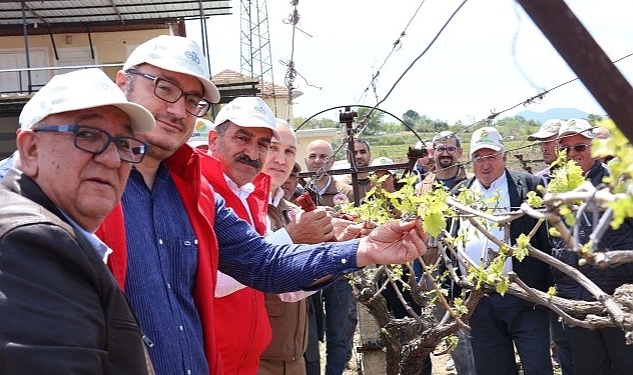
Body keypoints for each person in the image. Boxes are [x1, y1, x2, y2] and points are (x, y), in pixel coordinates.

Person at [94, 35, 428, 375]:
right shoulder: (85, 182)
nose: (178, 109)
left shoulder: (195, 194)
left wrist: (364, 249)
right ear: (124, 84)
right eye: (164, 88)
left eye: (193, 100)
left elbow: (262, 262)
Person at [0, 68, 156, 374]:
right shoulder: (33, 241)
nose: (112, 159)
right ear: (30, 149)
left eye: (124, 143)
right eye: (87, 134)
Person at [203, 98, 338, 374]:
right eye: (243, 138)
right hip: (223, 361)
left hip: (259, 356)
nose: (254, 153)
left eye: (263, 144)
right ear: (214, 139)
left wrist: (347, 253)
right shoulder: (201, 191)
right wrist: (292, 238)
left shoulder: (251, 198)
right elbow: (210, 280)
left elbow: (283, 286)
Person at [448, 127, 553, 375]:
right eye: (479, 158)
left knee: (537, 366)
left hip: (526, 296)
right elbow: (450, 244)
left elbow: (547, 241)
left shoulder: (530, 186)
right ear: (471, 161)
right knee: (492, 368)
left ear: (504, 157)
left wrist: (546, 292)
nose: (485, 165)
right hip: (479, 300)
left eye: (491, 157)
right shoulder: (459, 194)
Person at [259, 118, 342, 375]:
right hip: (255, 357)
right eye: (273, 148)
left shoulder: (291, 212)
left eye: (289, 152)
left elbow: (294, 287)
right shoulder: (239, 209)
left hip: (294, 355)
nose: (281, 161)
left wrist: (342, 251)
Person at [553, 118, 633, 375]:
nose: (572, 154)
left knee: (624, 365)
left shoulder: (617, 185)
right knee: (588, 368)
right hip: (575, 300)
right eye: (566, 148)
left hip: (615, 295)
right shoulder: (556, 189)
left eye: (580, 147)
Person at [415, 131, 476, 375]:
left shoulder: (472, 183)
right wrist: (419, 274)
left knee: (474, 331)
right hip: (433, 271)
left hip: (467, 268)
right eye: (440, 149)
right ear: (433, 153)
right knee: (453, 335)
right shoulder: (421, 188)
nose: (445, 153)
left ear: (460, 153)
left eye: (450, 149)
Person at [302, 138, 360, 375]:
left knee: (339, 331)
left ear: (333, 160)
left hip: (339, 273)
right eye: (313, 156)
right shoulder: (297, 190)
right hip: (306, 274)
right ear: (305, 160)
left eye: (323, 157)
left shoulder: (346, 191)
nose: (318, 162)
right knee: (310, 333)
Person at [528, 119, 573, 375]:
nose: (543, 147)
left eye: (548, 141)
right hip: (554, 276)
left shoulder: (583, 177)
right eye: (541, 143)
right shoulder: (538, 182)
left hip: (586, 273)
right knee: (562, 341)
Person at [527, 119, 566, 184]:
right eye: (541, 143)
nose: (543, 148)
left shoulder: (582, 176)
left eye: (547, 142)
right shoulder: (540, 180)